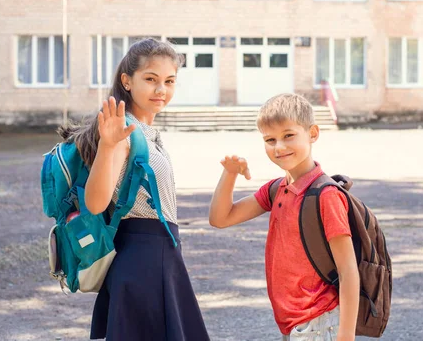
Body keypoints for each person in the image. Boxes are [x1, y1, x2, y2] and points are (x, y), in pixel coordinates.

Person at [58, 38, 209, 341]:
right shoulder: (124, 132)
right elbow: (96, 202)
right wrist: (109, 146)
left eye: (169, 81)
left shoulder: (145, 132)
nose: (161, 90)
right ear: (127, 81)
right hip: (144, 260)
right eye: (150, 79)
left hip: (156, 258)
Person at [209, 93, 359, 340]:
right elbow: (220, 218)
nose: (279, 147)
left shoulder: (326, 195)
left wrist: (346, 336)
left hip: (320, 322)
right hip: (294, 323)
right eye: (270, 139)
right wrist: (230, 174)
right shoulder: (276, 189)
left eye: (288, 135)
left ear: (312, 133)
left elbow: (348, 270)